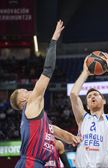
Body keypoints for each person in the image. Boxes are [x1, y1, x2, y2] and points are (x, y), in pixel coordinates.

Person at [10, 20, 81, 168]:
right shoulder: (32, 103)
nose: (27, 90)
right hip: (30, 163)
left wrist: (75, 139)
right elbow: (48, 69)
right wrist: (54, 39)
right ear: (22, 99)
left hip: (34, 163)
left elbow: (59, 134)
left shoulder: (39, 122)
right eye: (23, 90)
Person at [70, 54, 108, 167]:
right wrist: (85, 72)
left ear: (103, 101)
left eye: (96, 94)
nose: (92, 97)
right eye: (89, 96)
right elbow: (73, 94)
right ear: (87, 106)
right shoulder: (82, 119)